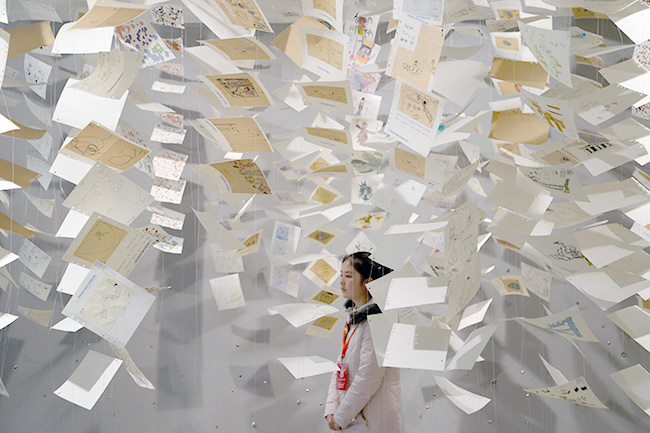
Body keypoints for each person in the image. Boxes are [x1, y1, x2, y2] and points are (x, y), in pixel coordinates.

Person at [324, 252, 401, 432]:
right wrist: (331, 408)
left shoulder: (378, 321)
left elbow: (369, 377)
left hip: (374, 420)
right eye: (341, 275)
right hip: (353, 419)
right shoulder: (354, 319)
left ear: (367, 282)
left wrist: (341, 417)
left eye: (348, 276)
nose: (341, 282)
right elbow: (340, 366)